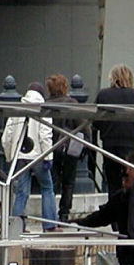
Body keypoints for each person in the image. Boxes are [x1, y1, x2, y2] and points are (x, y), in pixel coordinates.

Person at [1, 82, 57, 231]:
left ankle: (16, 228)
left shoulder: (17, 109)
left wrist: (9, 157)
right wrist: (48, 157)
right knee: (47, 188)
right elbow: (45, 136)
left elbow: (7, 137)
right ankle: (49, 225)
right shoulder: (43, 109)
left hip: (19, 157)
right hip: (38, 155)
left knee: (21, 193)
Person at [71, 176, 132, 265]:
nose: (123, 183)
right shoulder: (122, 197)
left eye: (126, 179)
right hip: (131, 250)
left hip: (133, 248)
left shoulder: (127, 196)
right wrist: (82, 222)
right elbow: (104, 216)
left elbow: (104, 216)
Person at [94, 64, 134, 198]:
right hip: (129, 142)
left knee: (112, 180)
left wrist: (104, 129)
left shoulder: (103, 94)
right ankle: (129, 211)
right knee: (130, 178)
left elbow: (95, 119)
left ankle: (114, 212)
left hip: (109, 141)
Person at [45, 73, 90, 221]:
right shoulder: (72, 102)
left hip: (50, 147)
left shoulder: (45, 105)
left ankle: (49, 213)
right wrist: (87, 143)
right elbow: (83, 126)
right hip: (70, 147)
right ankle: (64, 213)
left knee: (51, 181)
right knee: (69, 181)